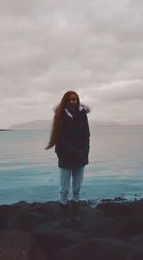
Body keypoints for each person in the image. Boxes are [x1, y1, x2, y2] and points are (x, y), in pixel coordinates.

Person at [46, 90, 90, 226]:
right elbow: (60, 139)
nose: (73, 102)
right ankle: (64, 215)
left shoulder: (82, 115)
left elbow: (86, 135)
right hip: (65, 157)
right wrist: (72, 151)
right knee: (64, 189)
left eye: (75, 99)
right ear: (66, 101)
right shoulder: (60, 116)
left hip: (80, 157)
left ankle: (75, 214)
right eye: (70, 99)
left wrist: (84, 150)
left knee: (77, 188)